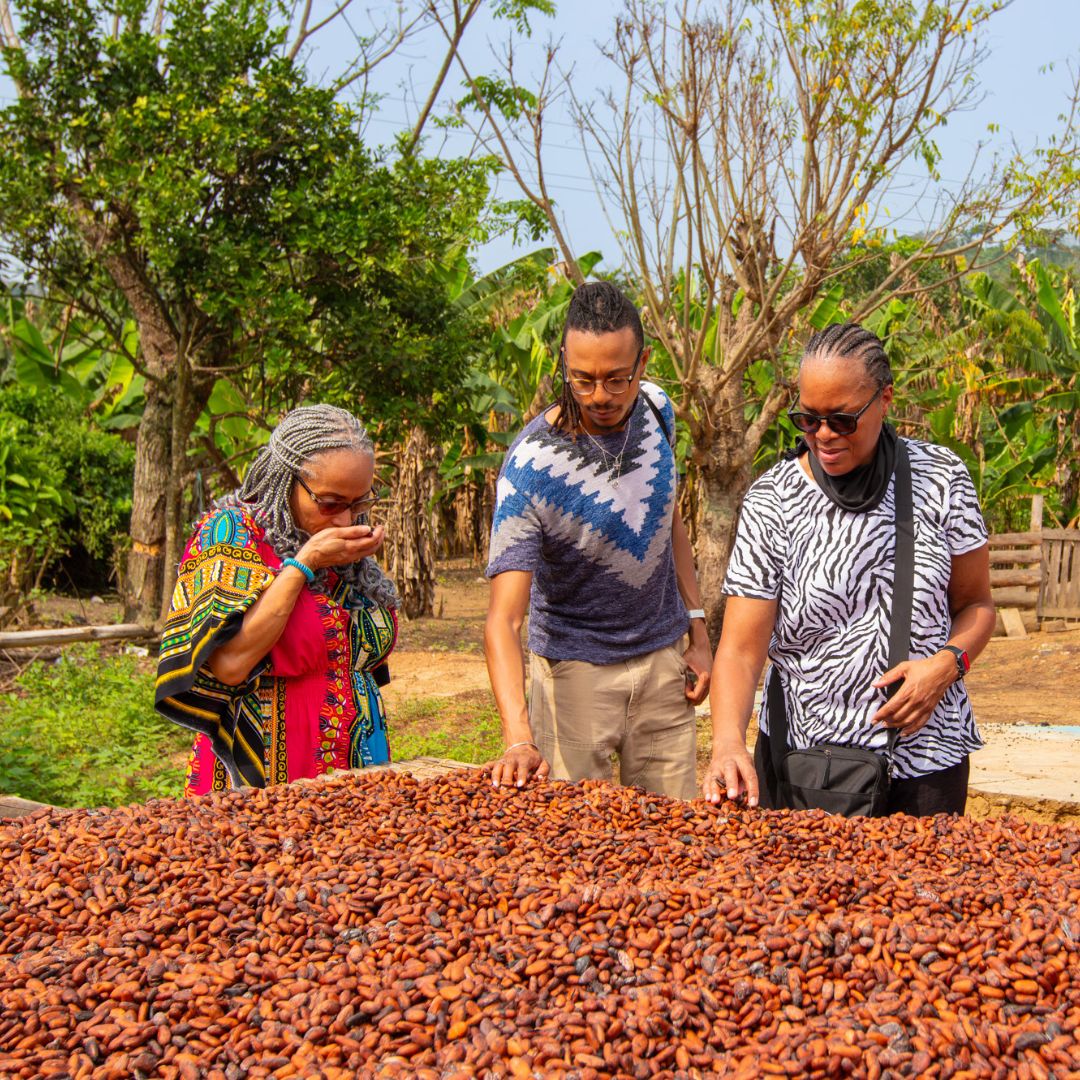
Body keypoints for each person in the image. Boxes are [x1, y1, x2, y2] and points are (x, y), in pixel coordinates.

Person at [703, 322, 996, 816]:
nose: (823, 435)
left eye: (842, 419)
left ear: (885, 399)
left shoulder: (942, 480)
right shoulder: (772, 502)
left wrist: (947, 666)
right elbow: (738, 651)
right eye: (808, 418)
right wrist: (727, 740)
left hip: (925, 766)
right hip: (804, 767)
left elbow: (977, 604)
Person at [484, 281, 712, 798]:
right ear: (563, 361)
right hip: (574, 677)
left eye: (616, 378)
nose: (601, 397)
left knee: (674, 841)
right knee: (576, 850)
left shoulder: (658, 412)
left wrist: (697, 630)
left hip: (663, 668)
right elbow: (504, 618)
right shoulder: (531, 466)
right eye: (582, 380)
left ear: (643, 363)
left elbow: (665, 517)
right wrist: (518, 737)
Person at [155, 404, 398, 795]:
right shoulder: (231, 533)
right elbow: (231, 662)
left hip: (357, 768)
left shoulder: (345, 551)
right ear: (286, 482)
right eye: (331, 503)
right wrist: (304, 564)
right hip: (264, 773)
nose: (346, 520)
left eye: (360, 504)